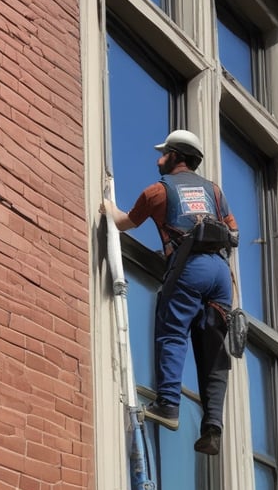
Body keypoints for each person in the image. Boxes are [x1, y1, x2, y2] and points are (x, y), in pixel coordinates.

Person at [100, 129, 239, 455]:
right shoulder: (215, 193)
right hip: (220, 274)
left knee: (173, 333)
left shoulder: (158, 192)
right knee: (214, 353)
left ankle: (168, 405)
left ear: (176, 156)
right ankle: (212, 426)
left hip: (190, 267)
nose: (159, 159)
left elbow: (124, 223)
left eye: (164, 154)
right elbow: (234, 232)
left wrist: (107, 205)